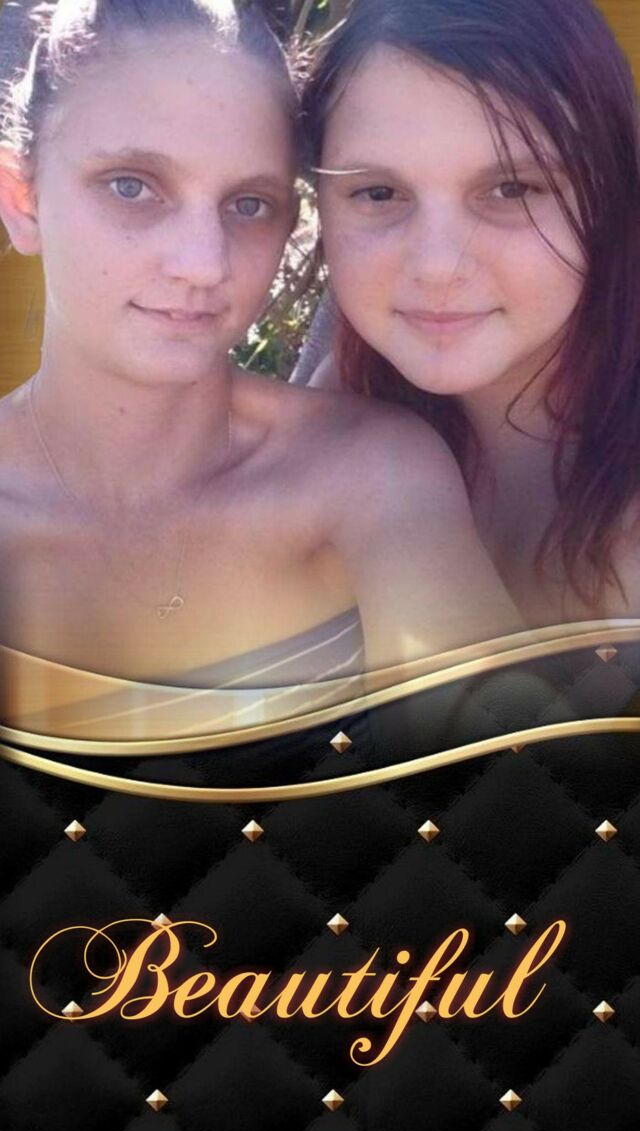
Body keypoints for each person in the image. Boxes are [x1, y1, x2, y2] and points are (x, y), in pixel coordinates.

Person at [0, 0, 524, 737]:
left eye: (249, 204)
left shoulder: (369, 476)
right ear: (22, 200)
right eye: (131, 186)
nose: (202, 263)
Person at [303, 0, 640, 628]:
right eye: (379, 193)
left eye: (511, 189)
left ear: (610, 197)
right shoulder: (346, 405)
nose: (436, 266)